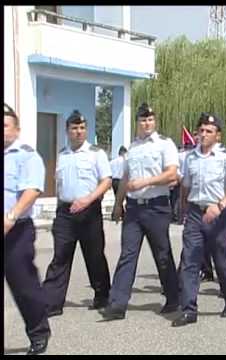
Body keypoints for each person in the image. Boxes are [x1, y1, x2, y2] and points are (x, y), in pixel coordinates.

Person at [101, 103, 180, 320]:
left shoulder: (165, 144)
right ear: (137, 122)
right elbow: (126, 178)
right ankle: (117, 304)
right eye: (143, 120)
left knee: (162, 254)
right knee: (127, 254)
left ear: (155, 122)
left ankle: (173, 298)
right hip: (134, 209)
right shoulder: (133, 148)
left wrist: (146, 181)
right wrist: (118, 204)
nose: (147, 123)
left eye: (150, 119)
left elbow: (172, 174)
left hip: (156, 206)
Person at [172, 112, 226, 327]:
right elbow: (185, 187)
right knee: (190, 260)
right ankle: (189, 309)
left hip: (217, 213)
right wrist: (185, 211)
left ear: (218, 136)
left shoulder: (225, 157)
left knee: (221, 260)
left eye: (208, 131)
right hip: (195, 212)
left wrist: (221, 206)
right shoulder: (190, 157)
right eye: (201, 130)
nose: (203, 135)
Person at [43, 110, 112, 316]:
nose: (78, 132)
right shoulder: (62, 154)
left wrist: (88, 200)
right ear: (67, 131)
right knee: (60, 257)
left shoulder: (96, 153)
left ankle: (102, 296)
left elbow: (106, 181)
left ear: (86, 130)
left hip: (89, 211)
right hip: (65, 213)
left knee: (94, 256)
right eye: (74, 128)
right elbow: (60, 186)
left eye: (82, 128)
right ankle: (52, 303)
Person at [4, 103, 51, 355]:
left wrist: (10, 217)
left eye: (5, 125)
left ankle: (38, 332)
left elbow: (31, 190)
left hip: (16, 230)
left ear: (17, 129)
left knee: (23, 285)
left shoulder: (27, 155)